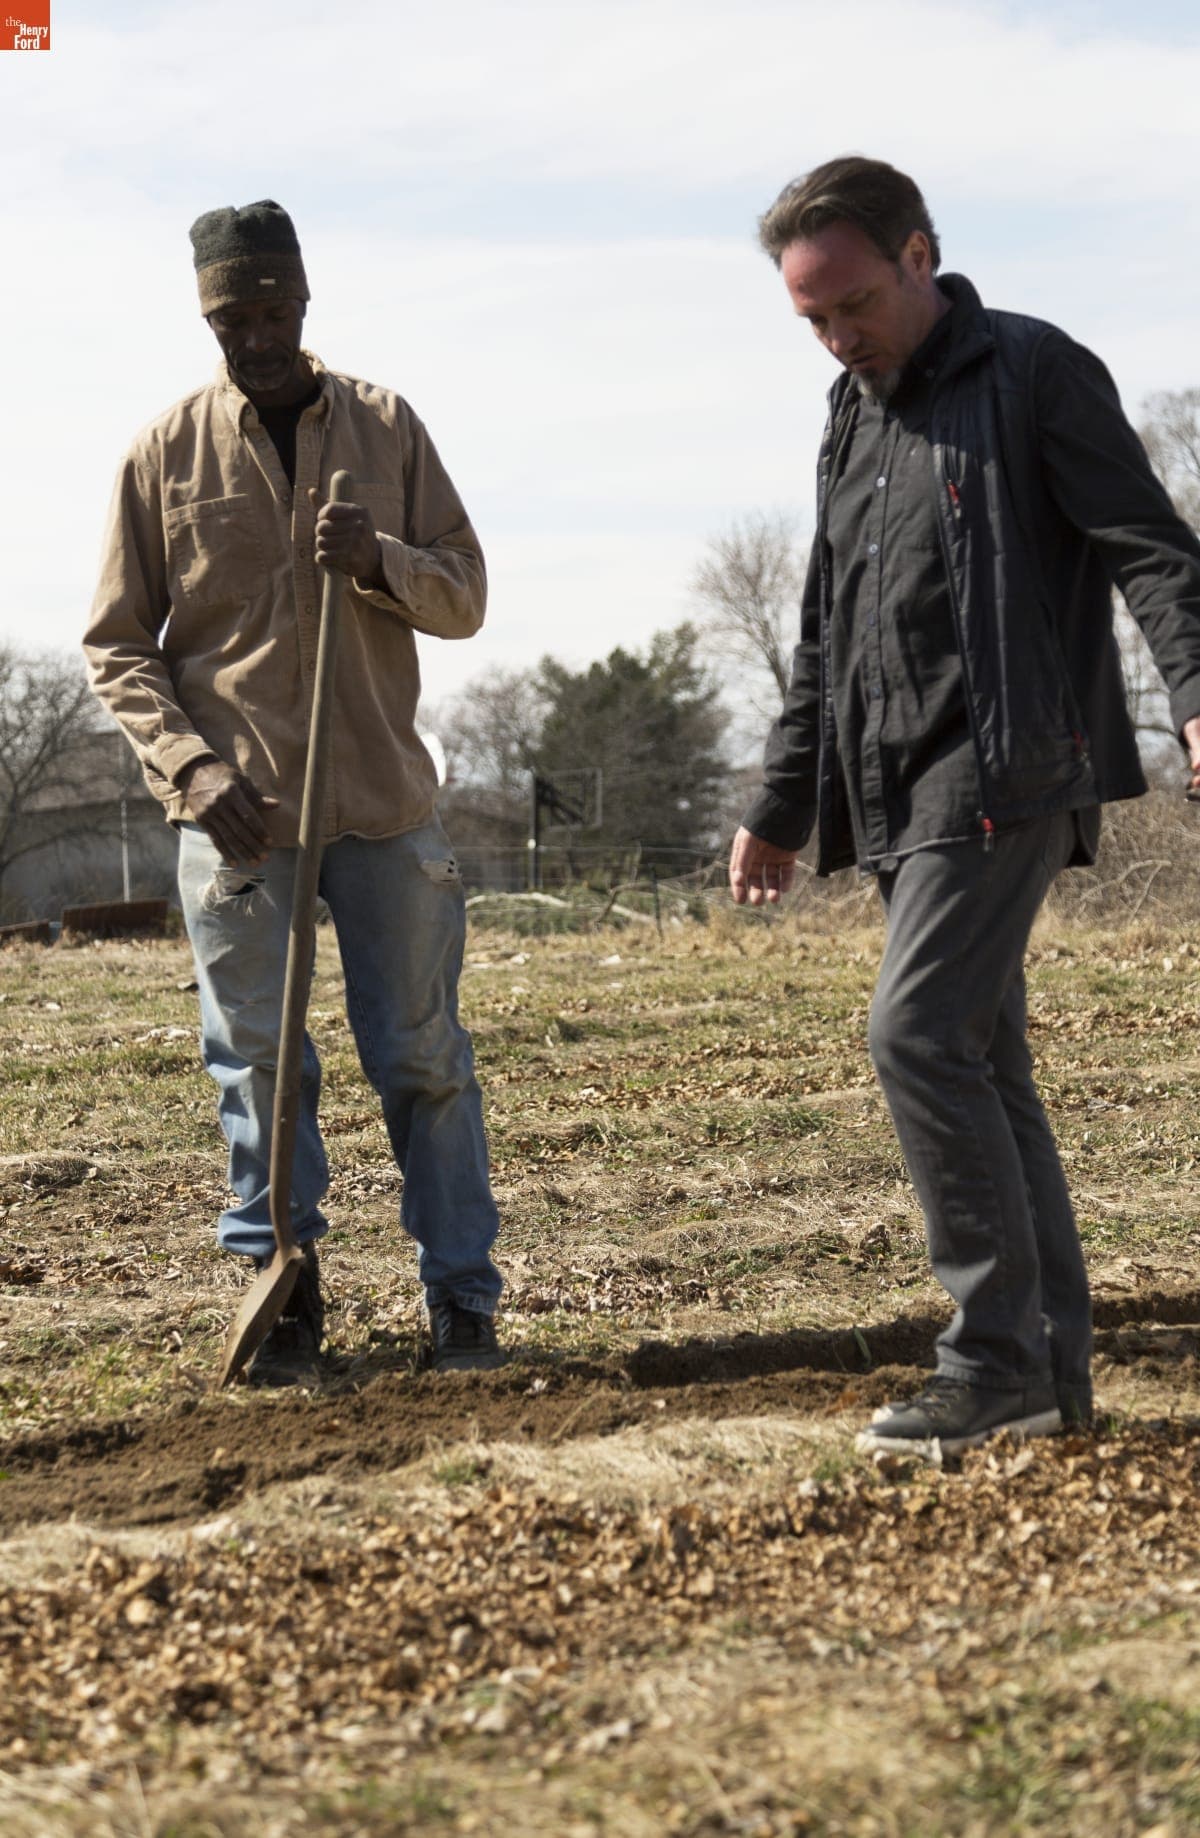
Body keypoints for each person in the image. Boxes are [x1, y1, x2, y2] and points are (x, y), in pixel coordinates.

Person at [730, 156, 1200, 1457]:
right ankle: (1046, 1368)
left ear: (920, 256)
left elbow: (1147, 542)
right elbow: (824, 626)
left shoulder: (1037, 372)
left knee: (917, 1034)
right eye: (812, 319)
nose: (837, 335)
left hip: (1006, 768)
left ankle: (989, 1354)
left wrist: (1196, 688)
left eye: (853, 303)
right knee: (986, 1060)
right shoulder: (850, 414)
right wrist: (779, 800)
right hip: (893, 786)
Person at [85, 200, 504, 1384]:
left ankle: (464, 1301)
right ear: (208, 315)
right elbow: (118, 646)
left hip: (381, 804)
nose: (257, 336)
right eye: (234, 317)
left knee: (423, 1058)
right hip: (238, 822)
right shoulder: (162, 453)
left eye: (274, 311)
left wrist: (380, 561)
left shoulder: (385, 426)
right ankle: (288, 1296)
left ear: (305, 305)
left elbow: (467, 595)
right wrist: (195, 769)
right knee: (259, 1067)